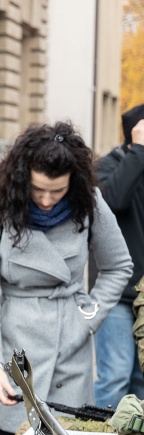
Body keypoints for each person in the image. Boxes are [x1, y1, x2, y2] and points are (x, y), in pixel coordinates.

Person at [0, 122, 132, 435]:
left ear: (74, 181)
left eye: (56, 191)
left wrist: (87, 318)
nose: (45, 200)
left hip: (69, 345)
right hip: (14, 350)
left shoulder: (90, 203)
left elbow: (117, 267)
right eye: (37, 189)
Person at [93, 104, 144, 409]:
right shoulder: (108, 166)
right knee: (115, 377)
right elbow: (113, 201)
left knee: (141, 380)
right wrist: (138, 152)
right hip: (118, 296)